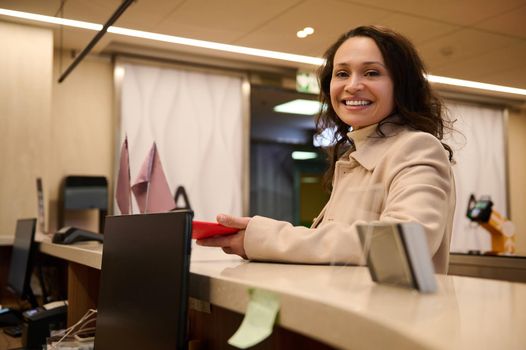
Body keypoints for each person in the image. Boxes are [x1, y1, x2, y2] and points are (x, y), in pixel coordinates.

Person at [197, 25, 456, 274]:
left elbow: (406, 242)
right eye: (342, 73)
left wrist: (268, 238)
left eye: (372, 73)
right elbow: (338, 249)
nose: (352, 85)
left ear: (402, 84)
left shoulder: (416, 147)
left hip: (394, 316)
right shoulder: (354, 155)